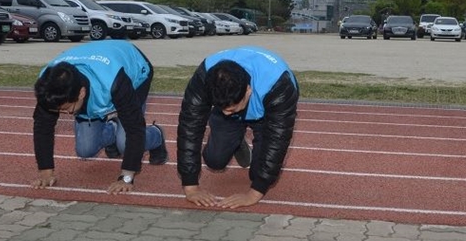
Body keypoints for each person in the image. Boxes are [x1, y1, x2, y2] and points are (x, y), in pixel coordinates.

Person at [32, 41, 167, 194]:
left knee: (124, 143)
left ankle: (156, 135)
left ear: (81, 93)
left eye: (67, 108)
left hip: (134, 68)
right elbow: (42, 127)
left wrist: (126, 177)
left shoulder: (114, 81)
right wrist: (45, 172)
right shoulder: (48, 87)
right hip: (96, 73)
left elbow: (135, 129)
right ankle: (113, 129)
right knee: (85, 150)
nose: (66, 114)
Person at [176, 46, 299, 208]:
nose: (227, 113)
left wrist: (254, 194)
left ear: (248, 90)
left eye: (232, 109)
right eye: (223, 109)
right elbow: (190, 127)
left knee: (258, 175)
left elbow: (277, 139)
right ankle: (235, 141)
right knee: (214, 161)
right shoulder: (205, 77)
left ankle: (238, 138)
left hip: (266, 116)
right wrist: (190, 187)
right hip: (233, 101)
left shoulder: (279, 85)